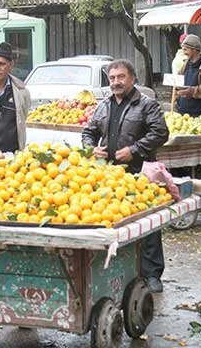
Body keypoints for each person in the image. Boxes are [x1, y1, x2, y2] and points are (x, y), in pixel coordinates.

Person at [81, 59, 169, 293]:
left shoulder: (146, 104)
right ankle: (120, 271)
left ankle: (152, 275)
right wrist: (91, 148)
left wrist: (134, 150)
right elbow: (89, 131)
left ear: (132, 78)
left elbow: (160, 133)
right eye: (112, 78)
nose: (116, 82)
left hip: (140, 173)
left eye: (121, 77)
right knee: (115, 222)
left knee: (147, 223)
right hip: (109, 175)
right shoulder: (104, 105)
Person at [175, 34, 201, 117]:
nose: (184, 52)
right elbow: (177, 84)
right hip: (182, 112)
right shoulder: (185, 64)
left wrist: (192, 91)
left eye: (186, 49)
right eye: (183, 49)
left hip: (199, 114)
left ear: (195, 50)